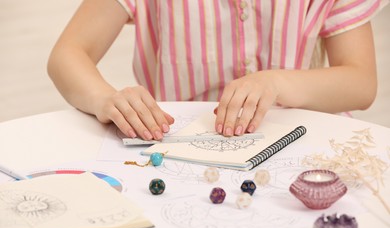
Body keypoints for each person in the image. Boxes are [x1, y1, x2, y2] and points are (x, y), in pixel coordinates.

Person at [47, 0, 388, 141]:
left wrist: (277, 82)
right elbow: (68, 54)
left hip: (302, 138)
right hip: (178, 147)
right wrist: (105, 98)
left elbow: (361, 83)